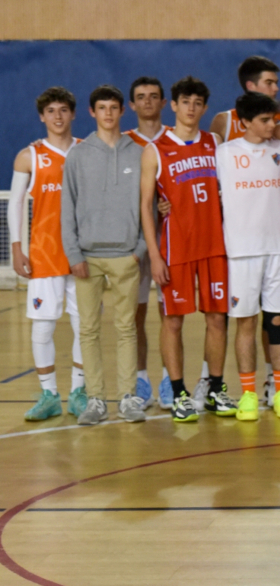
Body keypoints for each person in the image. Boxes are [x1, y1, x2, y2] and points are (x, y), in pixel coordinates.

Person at [139, 77, 235, 422]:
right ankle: (179, 393)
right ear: (174, 105)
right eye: (185, 102)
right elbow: (146, 206)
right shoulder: (155, 150)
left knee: (217, 319)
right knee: (173, 322)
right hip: (176, 249)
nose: (191, 108)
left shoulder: (216, 143)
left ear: (204, 108)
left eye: (197, 103)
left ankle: (215, 389)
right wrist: (155, 255)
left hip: (215, 246)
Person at [60, 85, 147, 426]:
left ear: (122, 111)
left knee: (127, 329)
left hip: (126, 256)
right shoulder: (78, 155)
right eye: (102, 108)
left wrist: (139, 250)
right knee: (88, 330)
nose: (108, 113)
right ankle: (95, 400)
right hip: (87, 258)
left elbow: (150, 205)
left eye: (113, 107)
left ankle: (127, 398)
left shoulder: (139, 153)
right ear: (92, 112)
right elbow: (67, 207)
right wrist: (73, 254)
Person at [210, 55, 280, 402]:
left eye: (273, 119)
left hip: (278, 250)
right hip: (242, 252)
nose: (271, 125)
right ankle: (247, 394)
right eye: (264, 120)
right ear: (244, 122)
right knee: (245, 322)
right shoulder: (223, 153)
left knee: (277, 322)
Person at [9, 87, 87, 421]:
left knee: (85, 327)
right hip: (44, 253)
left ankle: (79, 393)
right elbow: (15, 204)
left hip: (83, 254)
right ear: (42, 116)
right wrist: (17, 248)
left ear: (73, 114)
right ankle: (49, 395)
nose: (57, 116)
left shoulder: (87, 151)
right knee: (42, 329)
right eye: (51, 110)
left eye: (63, 110)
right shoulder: (29, 156)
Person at [125, 76, 169, 410]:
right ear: (132, 105)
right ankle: (141, 379)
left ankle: (170, 378)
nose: (148, 102)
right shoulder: (124, 142)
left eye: (154, 96)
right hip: (136, 244)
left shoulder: (175, 138)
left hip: (170, 241)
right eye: (141, 97)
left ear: (164, 102)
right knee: (136, 315)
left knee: (170, 315)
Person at [209, 55, 280, 143]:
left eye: (276, 83)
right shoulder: (225, 120)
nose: (276, 88)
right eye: (269, 83)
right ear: (250, 86)